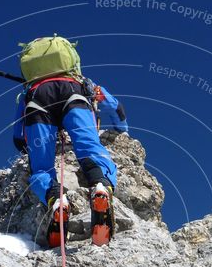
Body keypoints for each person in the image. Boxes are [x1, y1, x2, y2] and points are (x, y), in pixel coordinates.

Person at [11, 35, 128, 247]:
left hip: (37, 101)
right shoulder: (84, 82)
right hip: (74, 96)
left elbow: (18, 135)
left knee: (41, 169)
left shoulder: (29, 90)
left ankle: (56, 200)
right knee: (90, 150)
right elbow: (115, 106)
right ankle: (100, 185)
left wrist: (24, 145)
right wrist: (122, 129)